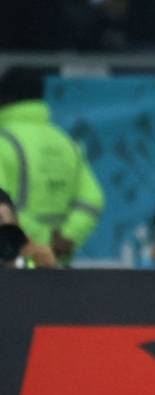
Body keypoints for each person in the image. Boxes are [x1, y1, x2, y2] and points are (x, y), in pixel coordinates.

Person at [0, 67, 105, 266]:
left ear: (4, 98)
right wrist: (66, 237)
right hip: (55, 264)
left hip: (15, 263)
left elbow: (2, 209)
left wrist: (39, 239)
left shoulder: (3, 142)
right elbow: (93, 199)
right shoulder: (67, 142)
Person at [0, 186, 57, 269]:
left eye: (1, 219)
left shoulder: (32, 244)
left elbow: (48, 268)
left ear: (15, 219)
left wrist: (19, 256)